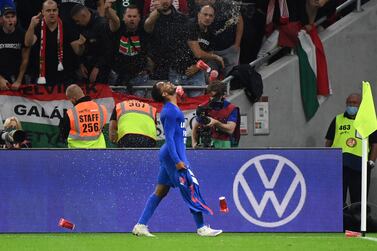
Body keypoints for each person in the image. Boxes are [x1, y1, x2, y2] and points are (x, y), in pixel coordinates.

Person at [132, 81, 222, 237]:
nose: (168, 83)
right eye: (164, 85)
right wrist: (178, 160)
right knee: (190, 187)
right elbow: (170, 139)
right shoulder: (170, 111)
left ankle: (140, 225)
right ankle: (201, 228)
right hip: (173, 156)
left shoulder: (172, 108)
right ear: (164, 94)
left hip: (170, 154)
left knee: (160, 191)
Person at [144, 0, 205, 97]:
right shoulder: (151, 18)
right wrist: (157, 11)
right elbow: (147, 27)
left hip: (176, 69)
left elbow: (192, 47)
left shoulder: (182, 19)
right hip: (158, 70)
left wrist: (197, 65)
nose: (165, 1)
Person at [325, 93, 377, 207]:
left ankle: (357, 224)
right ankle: (339, 223)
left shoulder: (367, 121)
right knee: (337, 198)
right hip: (338, 163)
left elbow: (374, 143)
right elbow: (329, 140)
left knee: (358, 201)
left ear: (360, 105)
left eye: (354, 103)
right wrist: (326, 157)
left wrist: (371, 162)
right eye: (349, 103)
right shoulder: (338, 119)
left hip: (359, 164)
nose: (351, 105)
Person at [24, 0, 79, 85]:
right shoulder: (37, 26)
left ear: (58, 11)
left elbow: (78, 51)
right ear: (42, 12)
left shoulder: (67, 26)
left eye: (54, 10)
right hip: (42, 76)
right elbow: (28, 43)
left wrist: (81, 44)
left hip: (64, 76)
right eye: (48, 10)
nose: (52, 13)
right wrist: (31, 25)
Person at [111, 4, 153, 97]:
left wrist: (157, 10)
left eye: (134, 16)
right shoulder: (118, 28)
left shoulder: (144, 29)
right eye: (129, 16)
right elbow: (113, 19)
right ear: (123, 17)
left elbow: (150, 22)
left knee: (139, 105)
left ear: (139, 18)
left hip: (139, 76)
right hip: (119, 77)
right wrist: (107, 8)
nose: (132, 19)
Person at [70, 3, 114, 83]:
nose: (77, 23)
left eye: (77, 21)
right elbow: (79, 46)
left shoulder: (102, 25)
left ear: (83, 15)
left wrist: (97, 67)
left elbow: (108, 50)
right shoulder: (79, 25)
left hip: (102, 66)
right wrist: (80, 64)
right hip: (86, 64)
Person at [191, 81, 240, 148]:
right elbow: (195, 127)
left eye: (216, 96)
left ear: (223, 95)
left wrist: (216, 122)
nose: (212, 99)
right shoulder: (203, 107)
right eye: (211, 96)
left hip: (223, 143)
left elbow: (230, 129)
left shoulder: (231, 108)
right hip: (204, 142)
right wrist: (194, 143)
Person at [59, 84, 108, 148]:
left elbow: (63, 134)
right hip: (99, 151)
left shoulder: (71, 114)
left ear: (73, 99)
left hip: (77, 154)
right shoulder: (101, 109)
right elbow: (102, 127)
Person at [0, 5, 29, 91]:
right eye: (7, 17)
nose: (10, 20)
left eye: (13, 17)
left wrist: (19, 80)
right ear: (1, 19)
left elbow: (25, 59)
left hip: (17, 78)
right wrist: (0, 79)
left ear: (16, 19)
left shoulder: (23, 34)